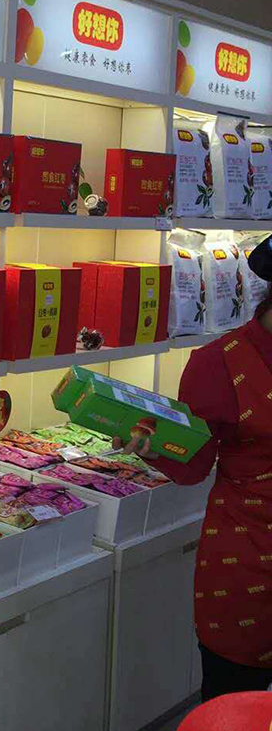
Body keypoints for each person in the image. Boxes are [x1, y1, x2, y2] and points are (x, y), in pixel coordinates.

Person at [121, 236, 272, 703]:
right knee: (231, 714)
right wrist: (149, 446)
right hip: (248, 565)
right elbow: (193, 464)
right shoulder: (220, 363)